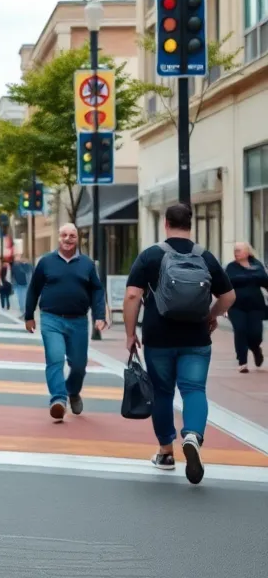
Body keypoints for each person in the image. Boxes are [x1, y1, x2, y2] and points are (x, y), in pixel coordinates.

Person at [123, 203, 236, 485]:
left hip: (158, 338)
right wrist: (211, 316)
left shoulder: (151, 256)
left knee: (162, 393)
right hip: (196, 338)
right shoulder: (205, 256)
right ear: (191, 224)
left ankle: (165, 453)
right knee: (194, 389)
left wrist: (129, 334)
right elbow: (229, 296)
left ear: (165, 223)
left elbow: (132, 297)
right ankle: (193, 435)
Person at [23, 224, 107, 422]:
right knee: (55, 359)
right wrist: (28, 315)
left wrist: (100, 316)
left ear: (77, 239)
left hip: (78, 321)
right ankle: (58, 401)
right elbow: (34, 289)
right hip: (51, 319)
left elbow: (97, 290)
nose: (68, 239)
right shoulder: (46, 262)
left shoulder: (87, 264)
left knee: (79, 365)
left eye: (72, 235)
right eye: (64, 235)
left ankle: (73, 391)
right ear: (58, 238)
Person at [226, 242, 268, 372]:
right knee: (240, 330)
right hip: (236, 306)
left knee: (256, 334)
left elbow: (264, 280)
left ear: (247, 252)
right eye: (235, 250)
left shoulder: (257, 265)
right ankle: (242, 362)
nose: (236, 253)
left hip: (255, 306)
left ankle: (256, 349)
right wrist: (251, 276)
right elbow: (230, 280)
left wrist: (248, 277)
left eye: (239, 250)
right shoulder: (231, 267)